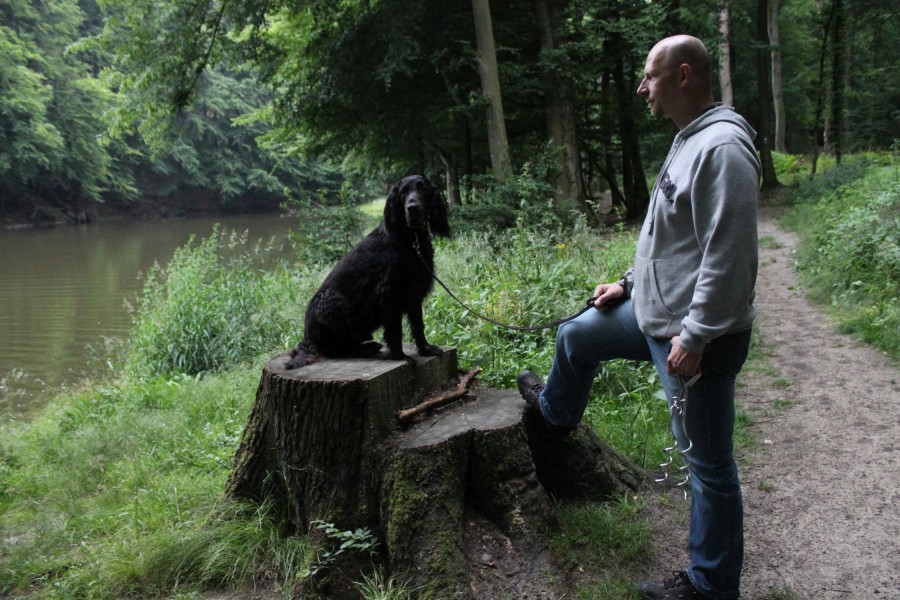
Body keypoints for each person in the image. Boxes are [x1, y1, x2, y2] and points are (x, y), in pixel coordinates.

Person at [517, 35, 760, 600]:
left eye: (649, 76)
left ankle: (710, 585)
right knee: (576, 334)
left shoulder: (722, 148)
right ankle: (555, 416)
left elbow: (729, 259)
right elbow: (673, 240)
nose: (640, 87)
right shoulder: (688, 138)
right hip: (654, 315)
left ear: (682, 75)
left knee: (707, 464)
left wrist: (695, 337)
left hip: (695, 338)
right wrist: (626, 284)